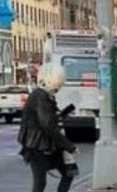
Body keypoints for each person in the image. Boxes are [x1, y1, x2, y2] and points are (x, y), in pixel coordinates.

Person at [17, 64, 78, 192]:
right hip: (39, 146)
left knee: (67, 173)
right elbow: (48, 125)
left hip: (44, 145)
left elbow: (47, 119)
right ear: (52, 81)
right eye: (58, 86)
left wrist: (61, 114)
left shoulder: (43, 96)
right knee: (42, 181)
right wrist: (69, 146)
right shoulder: (40, 97)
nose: (59, 89)